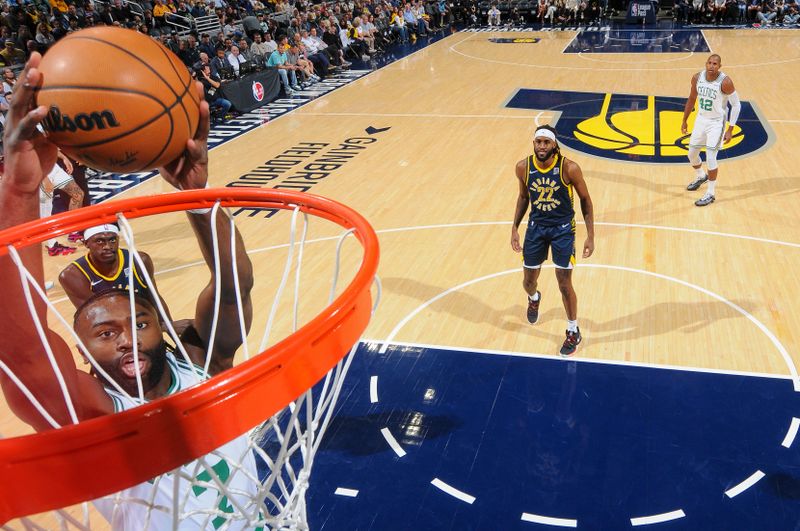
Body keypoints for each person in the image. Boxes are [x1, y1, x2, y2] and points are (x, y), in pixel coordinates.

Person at [0, 54, 257, 528]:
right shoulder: (96, 419)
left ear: (162, 328)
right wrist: (19, 193)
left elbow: (234, 284)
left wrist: (196, 199)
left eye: (138, 323)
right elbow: (24, 352)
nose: (125, 338)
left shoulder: (203, 365)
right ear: (84, 354)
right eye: (105, 333)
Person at [510, 125, 595, 357]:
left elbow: (586, 200)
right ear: (534, 143)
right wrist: (515, 228)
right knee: (528, 281)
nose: (541, 146)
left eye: (546, 143)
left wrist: (590, 236)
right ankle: (534, 298)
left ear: (554, 145)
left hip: (563, 230)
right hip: (536, 229)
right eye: (538, 142)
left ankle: (572, 330)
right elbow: (523, 197)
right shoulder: (523, 167)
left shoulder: (569, 168)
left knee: (564, 283)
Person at [58, 223, 174, 321]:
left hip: (142, 323)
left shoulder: (139, 261)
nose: (107, 246)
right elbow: (96, 317)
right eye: (99, 241)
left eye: (112, 240)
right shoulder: (73, 275)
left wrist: (169, 327)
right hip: (106, 332)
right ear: (86, 243)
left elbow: (155, 298)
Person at [680, 54, 740, 207]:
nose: (711, 66)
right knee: (691, 154)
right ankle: (701, 176)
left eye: (715, 64)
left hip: (716, 123)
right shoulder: (697, 78)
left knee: (711, 156)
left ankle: (711, 193)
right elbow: (692, 98)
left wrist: (730, 129)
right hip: (701, 119)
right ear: (705, 64)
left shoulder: (725, 82)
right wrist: (684, 120)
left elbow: (736, 105)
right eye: (709, 63)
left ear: (719, 66)